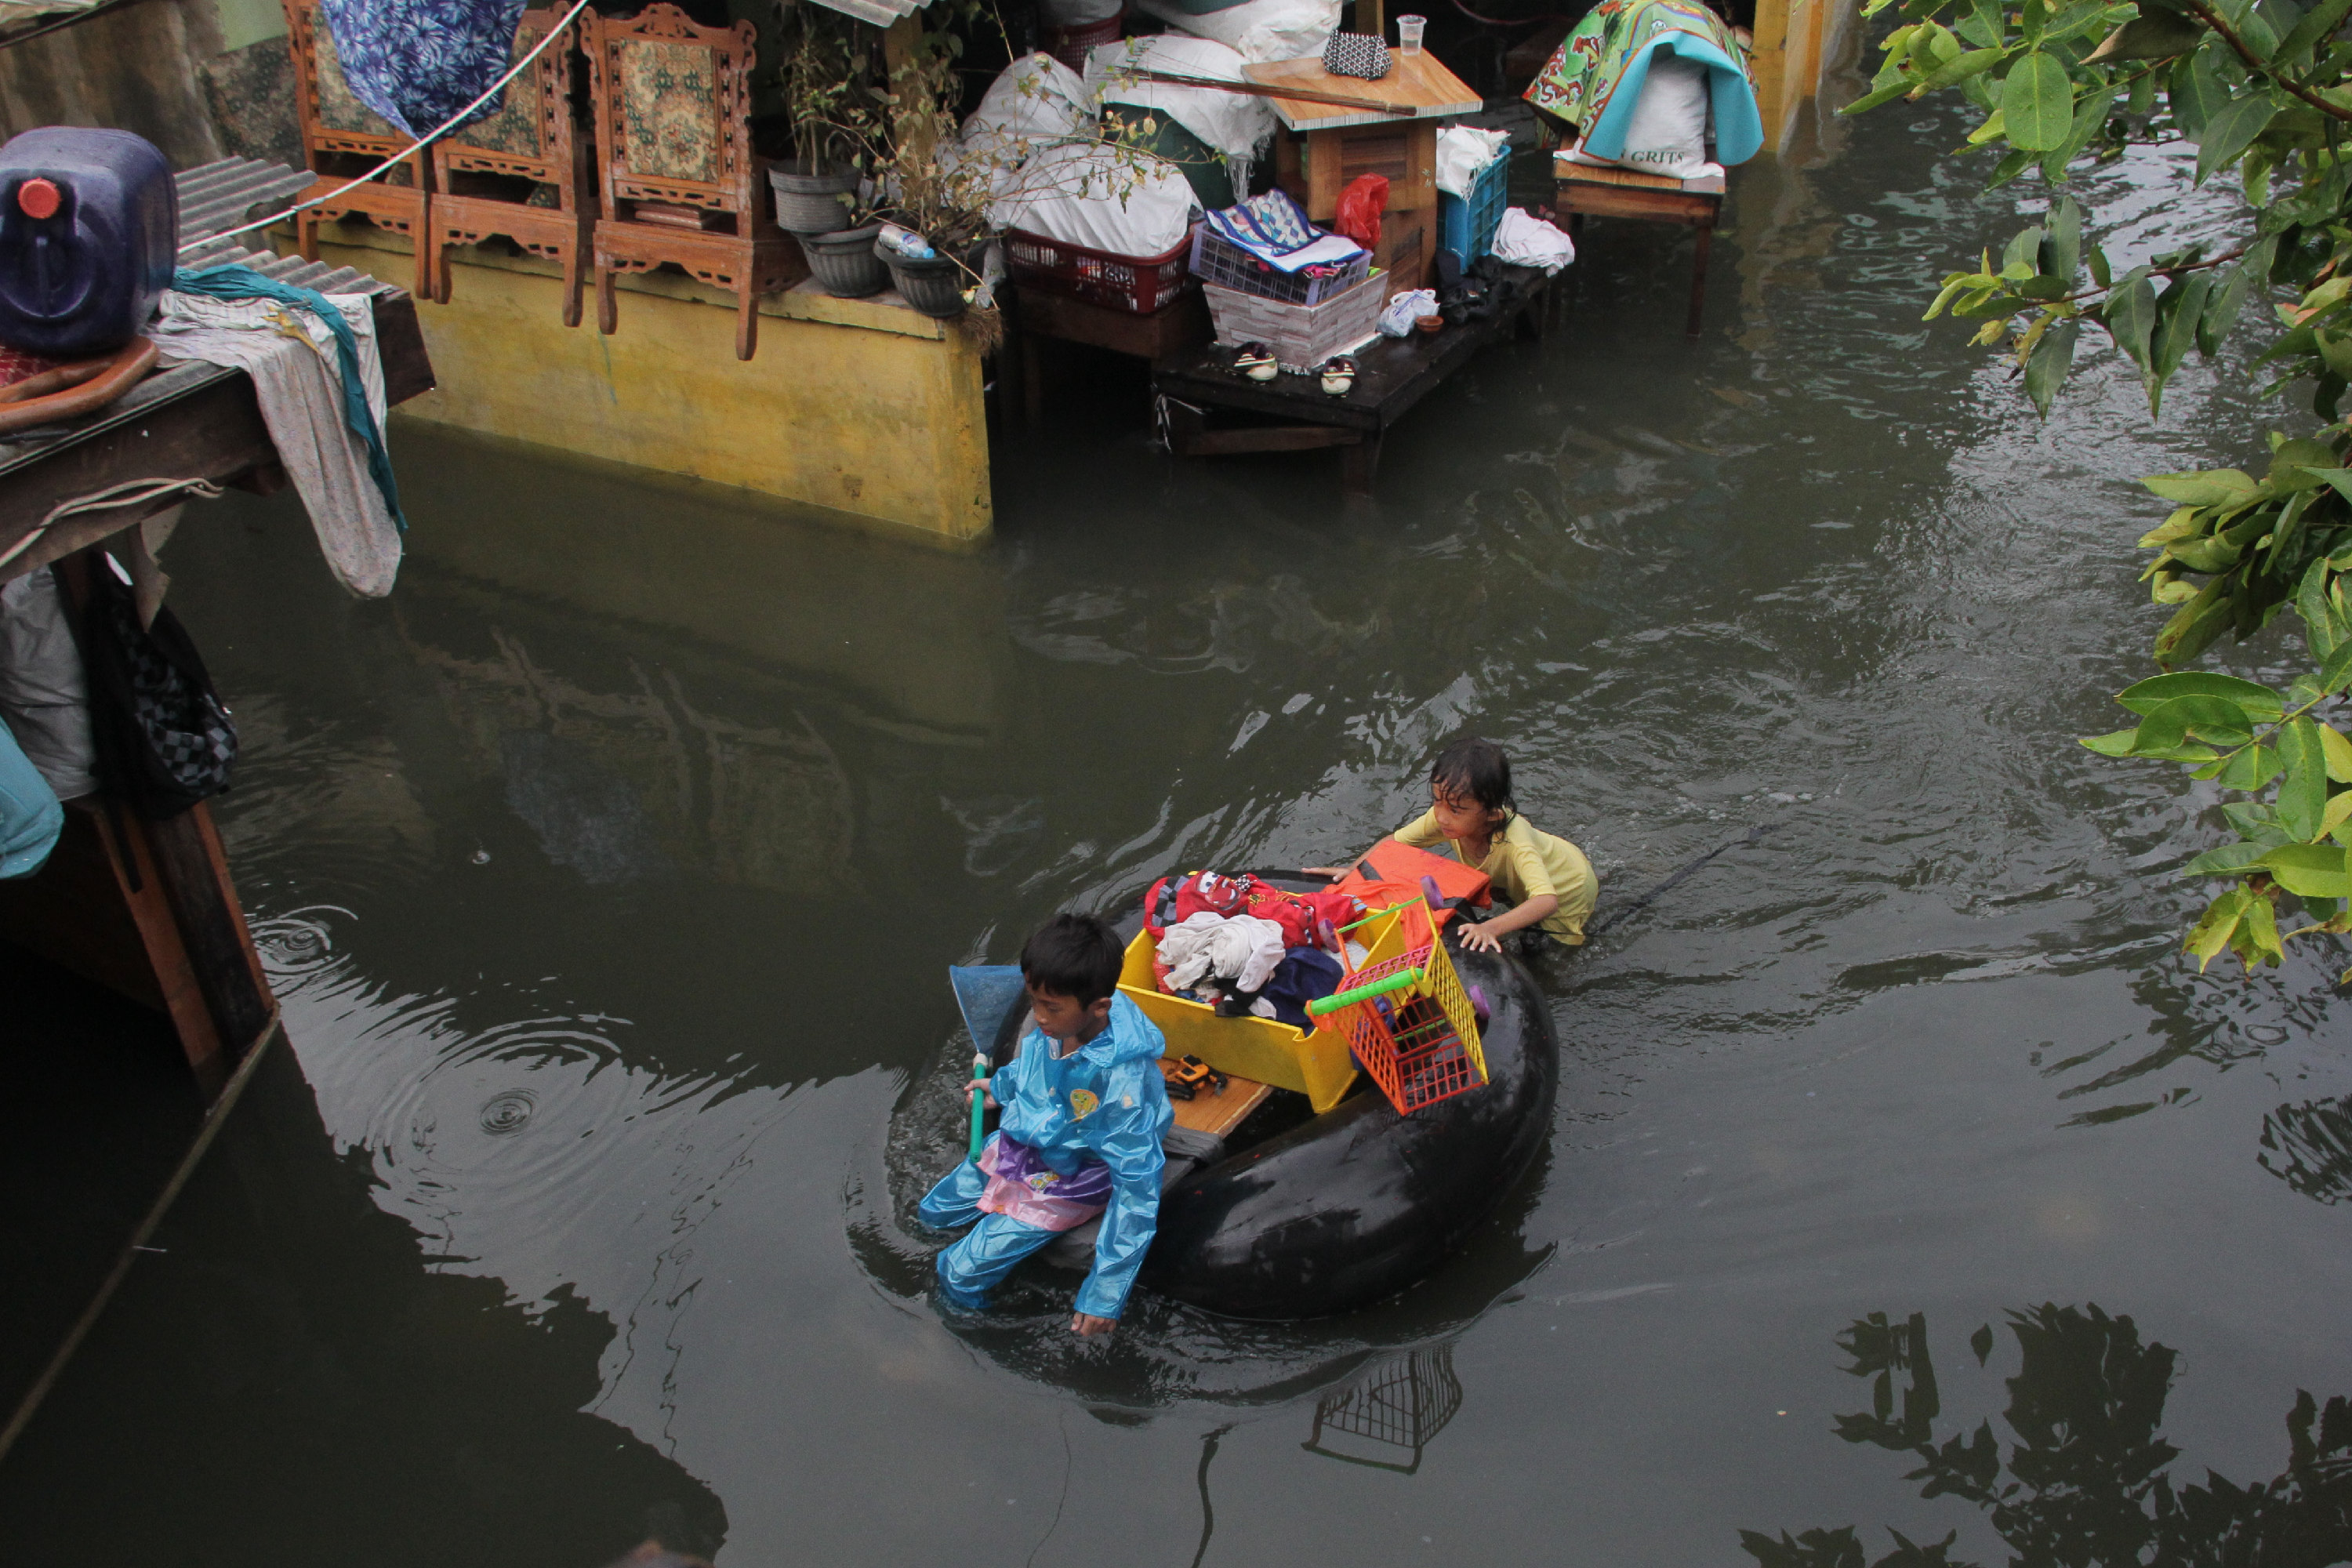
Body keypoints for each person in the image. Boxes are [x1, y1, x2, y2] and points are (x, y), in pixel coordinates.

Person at [919, 913, 1173, 1337]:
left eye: (1050, 1007)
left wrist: (1104, 1294)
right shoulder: (1059, 1025)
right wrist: (1001, 1086)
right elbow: (1033, 1068)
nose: (1037, 1017)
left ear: (1099, 1007)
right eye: (1033, 1002)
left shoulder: (1120, 1089)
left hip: (1074, 1175)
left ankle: (971, 1329)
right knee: (932, 1212)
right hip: (1025, 1146)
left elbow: (1137, 1188)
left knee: (958, 1273)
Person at [1315, 737, 1597, 953]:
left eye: (1456, 809)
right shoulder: (1446, 817)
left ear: (1492, 815)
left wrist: (1490, 928)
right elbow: (1394, 843)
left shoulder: (1515, 842)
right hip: (1537, 876)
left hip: (1569, 888)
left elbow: (1547, 901)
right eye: (1437, 801)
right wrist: (1353, 870)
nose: (1441, 816)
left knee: (1545, 950)